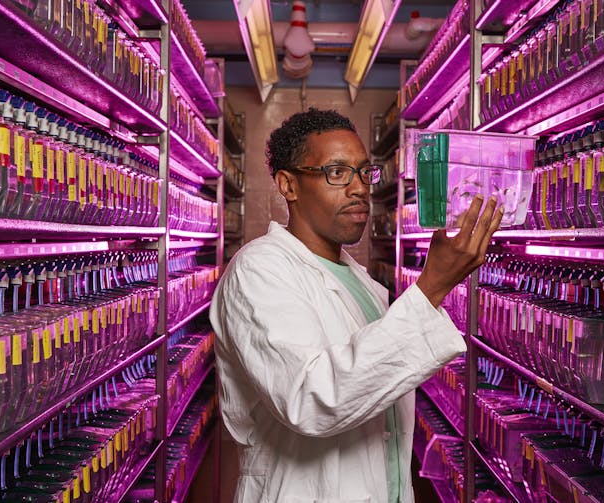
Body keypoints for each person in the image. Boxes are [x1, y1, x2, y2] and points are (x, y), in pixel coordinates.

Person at [210, 108, 503, 503]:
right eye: (337, 172)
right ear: (288, 184)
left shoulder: (357, 278)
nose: (359, 188)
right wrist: (432, 286)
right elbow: (311, 399)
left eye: (365, 172)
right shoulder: (258, 270)